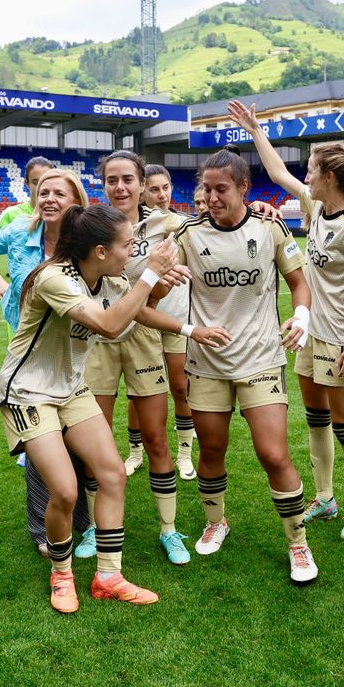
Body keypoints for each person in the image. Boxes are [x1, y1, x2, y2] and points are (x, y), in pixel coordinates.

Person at [0, 204, 228, 612]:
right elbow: (108, 325)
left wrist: (192, 329)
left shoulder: (108, 277)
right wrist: (151, 273)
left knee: (113, 474)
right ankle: (62, 574)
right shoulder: (54, 278)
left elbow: (136, 310)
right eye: (127, 244)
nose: (134, 249)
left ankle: (108, 576)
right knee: (66, 491)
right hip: (29, 393)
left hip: (70, 390)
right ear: (100, 251)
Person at [229, 101, 344, 541]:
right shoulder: (314, 209)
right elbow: (278, 174)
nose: (307, 176)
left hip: (340, 339)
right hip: (308, 336)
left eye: (312, 170)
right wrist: (257, 130)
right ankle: (326, 497)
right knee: (316, 420)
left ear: (329, 176)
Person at [173, 146, 320, 585]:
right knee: (212, 450)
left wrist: (303, 316)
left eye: (221, 189)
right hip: (207, 363)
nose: (212, 197)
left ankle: (298, 543)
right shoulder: (188, 234)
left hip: (261, 358)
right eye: (206, 189)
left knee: (273, 454)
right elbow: (159, 289)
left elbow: (299, 283)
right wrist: (163, 280)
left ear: (243, 188)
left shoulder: (270, 228)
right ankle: (216, 521)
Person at [0, 167, 96, 555]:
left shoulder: (87, 240)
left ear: (77, 202)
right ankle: (44, 531)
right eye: (43, 192)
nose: (49, 199)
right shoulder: (21, 231)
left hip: (72, 349)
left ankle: (81, 523)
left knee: (77, 441)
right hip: (28, 350)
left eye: (60, 193)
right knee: (42, 444)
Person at [90, 150, 189, 563]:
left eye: (127, 179)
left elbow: (157, 293)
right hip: (94, 338)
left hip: (144, 336)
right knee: (94, 442)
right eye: (111, 179)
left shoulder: (166, 226)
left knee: (155, 438)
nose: (119, 187)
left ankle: (169, 529)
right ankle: (97, 530)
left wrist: (161, 282)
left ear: (140, 182)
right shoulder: (88, 224)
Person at [143, 164, 197, 481]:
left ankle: (186, 454)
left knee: (180, 387)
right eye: (154, 189)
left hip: (176, 318)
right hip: (142, 322)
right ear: (142, 191)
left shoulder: (185, 226)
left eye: (165, 187)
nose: (161, 194)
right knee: (144, 392)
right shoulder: (131, 229)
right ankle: (136, 453)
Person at [0, 155, 54, 298]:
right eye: (35, 182)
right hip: (22, 302)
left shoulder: (64, 215)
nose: (40, 187)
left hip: (58, 298)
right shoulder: (11, 215)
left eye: (46, 181)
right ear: (27, 183)